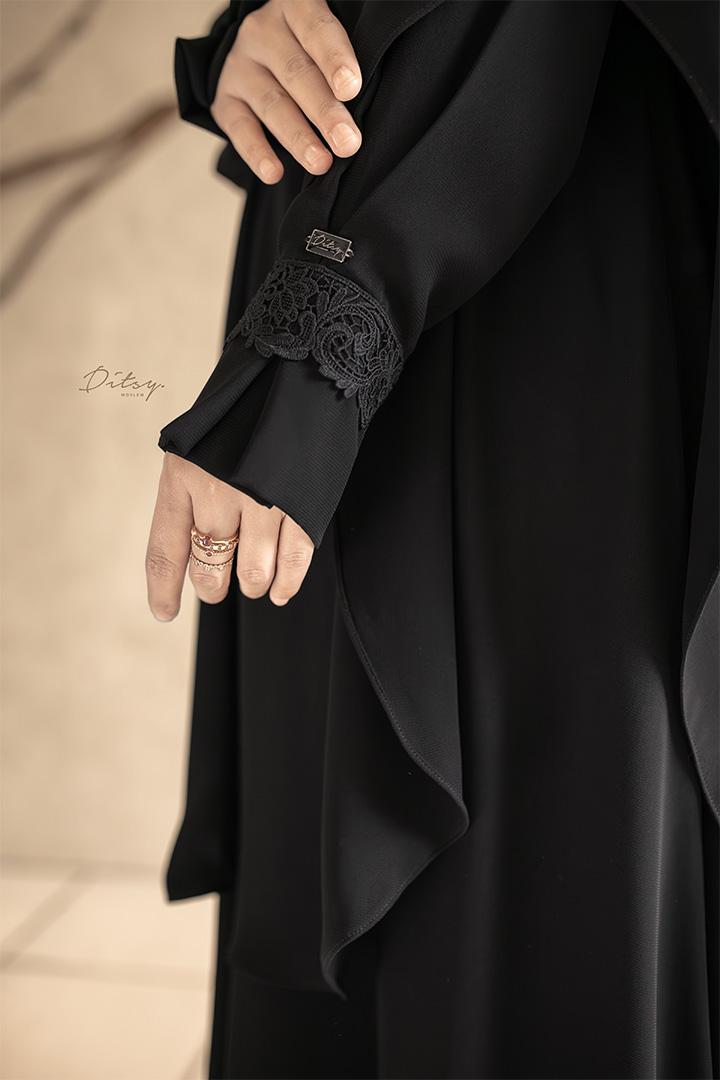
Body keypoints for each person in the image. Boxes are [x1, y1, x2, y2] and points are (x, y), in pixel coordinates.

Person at [145, 1, 719, 1076]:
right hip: (354, 221)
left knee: (521, 895)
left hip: (532, 277)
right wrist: (249, 35)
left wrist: (307, 364)